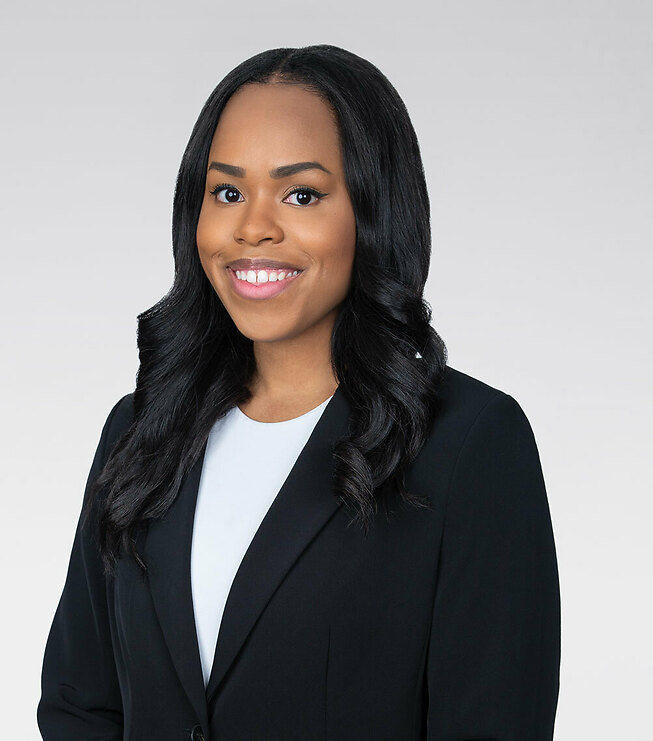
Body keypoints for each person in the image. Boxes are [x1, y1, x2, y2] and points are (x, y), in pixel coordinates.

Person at [37, 44, 561, 741]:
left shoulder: (470, 442)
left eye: (301, 194)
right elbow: (79, 701)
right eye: (227, 193)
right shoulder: (141, 429)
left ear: (374, 210)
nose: (253, 227)